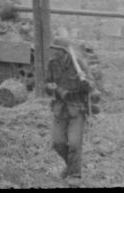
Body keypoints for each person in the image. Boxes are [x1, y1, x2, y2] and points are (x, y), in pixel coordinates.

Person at [45, 37, 101, 181]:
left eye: (57, 51)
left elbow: (92, 86)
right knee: (58, 143)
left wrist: (85, 84)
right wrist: (50, 88)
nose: (54, 53)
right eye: (54, 50)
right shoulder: (52, 64)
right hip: (60, 109)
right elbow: (47, 84)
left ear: (65, 52)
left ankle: (75, 175)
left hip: (77, 108)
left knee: (74, 144)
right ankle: (71, 166)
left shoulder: (78, 64)